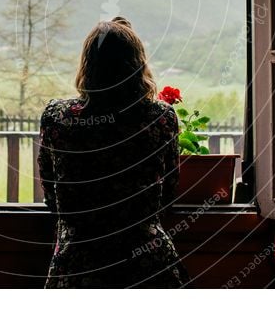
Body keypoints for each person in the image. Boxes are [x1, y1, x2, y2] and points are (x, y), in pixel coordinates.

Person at [37, 16, 190, 288]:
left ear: (87, 64)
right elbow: (168, 191)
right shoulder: (160, 118)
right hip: (147, 262)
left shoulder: (57, 117)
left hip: (78, 262)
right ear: (137, 64)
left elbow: (51, 193)